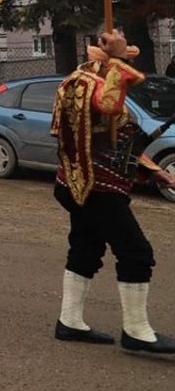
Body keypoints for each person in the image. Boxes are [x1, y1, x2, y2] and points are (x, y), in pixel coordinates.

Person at [49, 30, 175, 353]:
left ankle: (69, 322)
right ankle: (136, 331)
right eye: (120, 59)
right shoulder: (85, 82)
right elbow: (107, 106)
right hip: (96, 186)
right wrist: (118, 61)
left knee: (86, 247)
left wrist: (151, 170)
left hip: (82, 183)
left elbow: (117, 139)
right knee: (136, 251)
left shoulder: (86, 78)